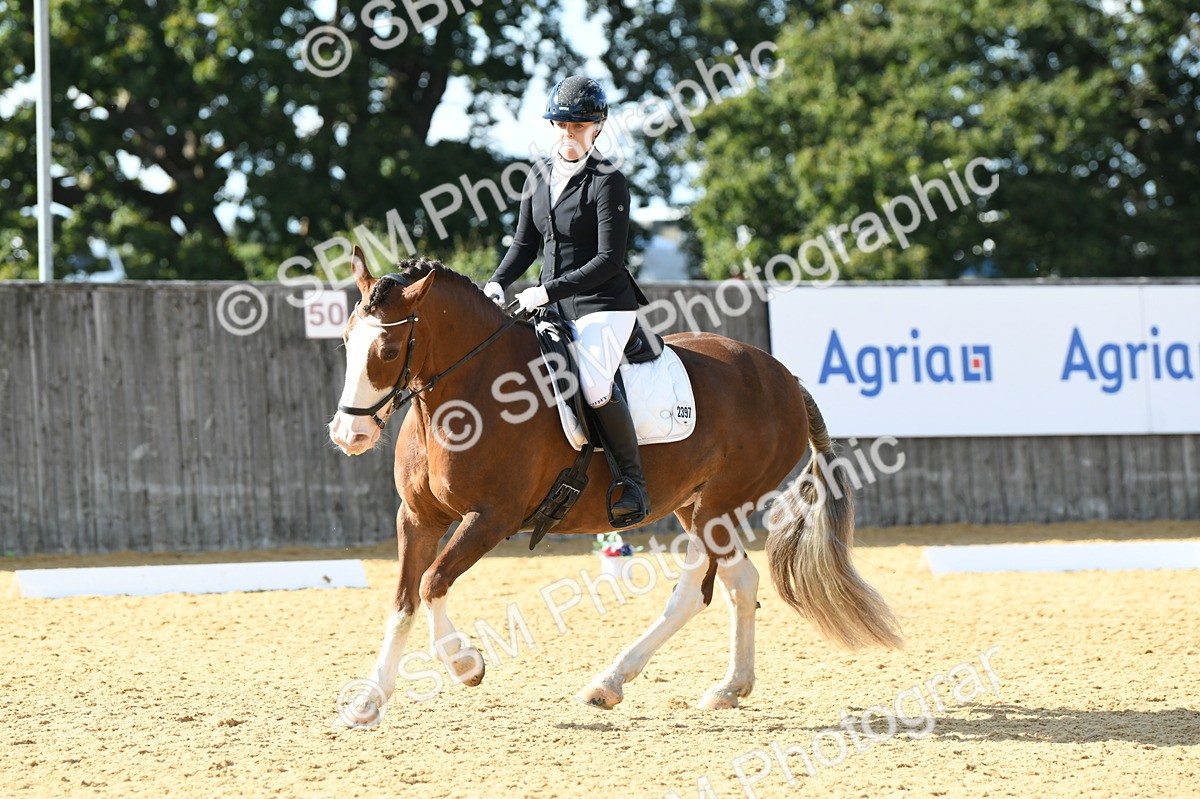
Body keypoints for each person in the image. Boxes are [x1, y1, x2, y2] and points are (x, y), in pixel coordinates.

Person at [483, 75, 651, 525]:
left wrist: (547, 290)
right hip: (551, 304)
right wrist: (498, 282)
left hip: (603, 305)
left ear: (598, 128)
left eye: (580, 126)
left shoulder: (608, 181)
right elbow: (522, 245)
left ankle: (632, 482)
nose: (569, 133)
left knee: (594, 385)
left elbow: (608, 260)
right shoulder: (537, 177)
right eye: (562, 124)